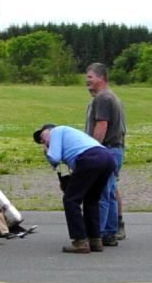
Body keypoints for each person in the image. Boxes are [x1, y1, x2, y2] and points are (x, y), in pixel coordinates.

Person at [33, 123, 116, 253]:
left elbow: (54, 158)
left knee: (70, 200)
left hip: (90, 159)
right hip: (107, 159)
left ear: (49, 130)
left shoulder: (56, 131)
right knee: (91, 200)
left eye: (42, 136)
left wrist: (46, 151)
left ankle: (80, 241)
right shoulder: (71, 137)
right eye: (40, 141)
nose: (42, 140)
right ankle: (95, 240)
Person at [83, 63, 126, 245]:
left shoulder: (102, 98)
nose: (87, 80)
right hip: (115, 149)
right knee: (109, 191)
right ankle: (110, 232)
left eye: (90, 77)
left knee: (101, 192)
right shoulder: (111, 97)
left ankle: (97, 233)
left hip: (107, 149)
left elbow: (102, 125)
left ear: (101, 78)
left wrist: (92, 149)